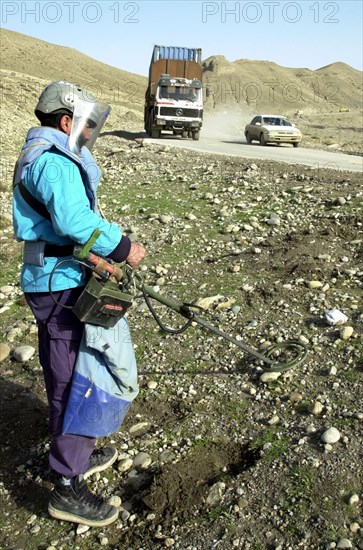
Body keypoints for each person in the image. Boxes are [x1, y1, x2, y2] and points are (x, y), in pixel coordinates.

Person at [12, 81, 146, 527]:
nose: (90, 133)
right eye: (87, 124)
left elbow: (58, 229)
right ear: (66, 122)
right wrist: (121, 245)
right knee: (73, 379)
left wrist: (94, 257)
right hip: (57, 286)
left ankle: (79, 451)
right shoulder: (53, 162)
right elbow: (72, 220)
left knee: (82, 367)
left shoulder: (50, 156)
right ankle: (66, 486)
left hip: (63, 275)